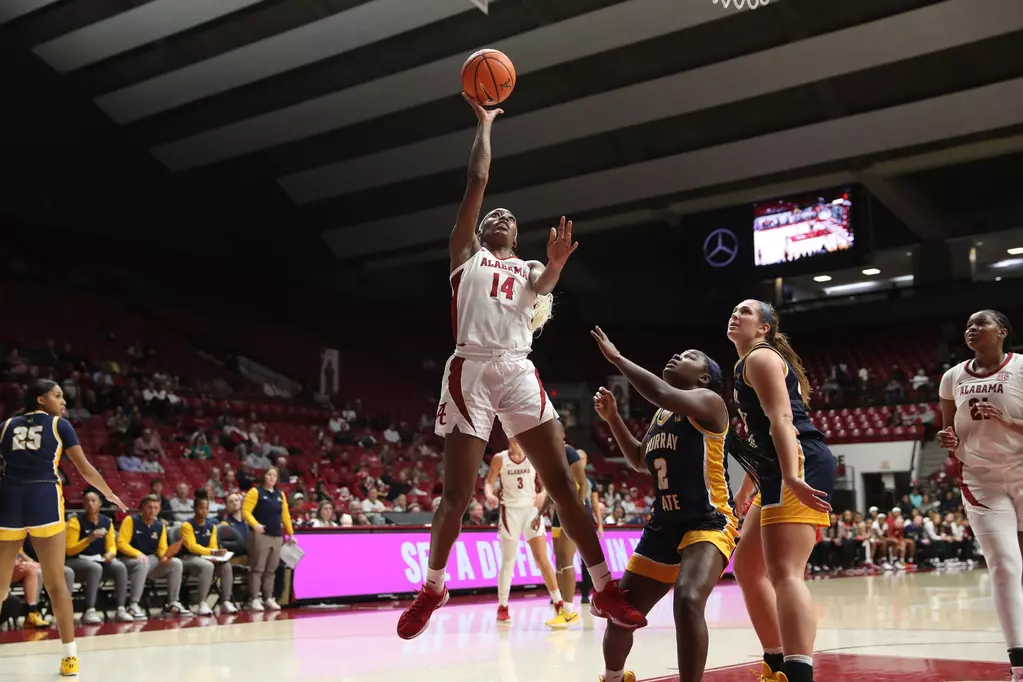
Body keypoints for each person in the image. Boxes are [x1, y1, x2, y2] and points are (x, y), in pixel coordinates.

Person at [396, 93, 644, 639]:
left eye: (511, 217)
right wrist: (485, 125)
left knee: (562, 485)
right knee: (455, 497)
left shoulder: (531, 268)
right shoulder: (466, 255)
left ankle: (604, 588)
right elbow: (477, 182)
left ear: (518, 235)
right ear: (483, 230)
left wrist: (555, 265)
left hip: (515, 368)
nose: (501, 216)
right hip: (469, 371)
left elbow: (545, 285)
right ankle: (432, 589)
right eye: (494, 215)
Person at [591, 328, 738, 682]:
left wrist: (617, 359)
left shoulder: (709, 402)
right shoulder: (661, 415)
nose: (677, 356)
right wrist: (613, 420)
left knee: (687, 599)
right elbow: (640, 460)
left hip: (708, 520)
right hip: (663, 525)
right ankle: (613, 678)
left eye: (689, 356)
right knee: (622, 610)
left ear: (704, 377)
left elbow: (658, 389)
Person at [726, 300, 836, 682]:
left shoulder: (761, 358)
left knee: (785, 571)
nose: (735, 315)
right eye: (733, 311)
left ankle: (798, 670)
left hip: (799, 461)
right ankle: (776, 663)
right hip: (777, 468)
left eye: (745, 312)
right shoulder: (746, 363)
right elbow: (761, 437)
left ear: (764, 328)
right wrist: (750, 484)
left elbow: (782, 420)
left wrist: (791, 476)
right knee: (747, 567)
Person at [0, 379, 127, 677]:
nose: (64, 402)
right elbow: (84, 469)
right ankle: (69, 657)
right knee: (56, 582)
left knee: (1, 585)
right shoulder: (60, 425)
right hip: (43, 495)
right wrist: (109, 493)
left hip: (8, 499)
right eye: (58, 396)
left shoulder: (5, 425)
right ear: (40, 400)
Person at [937, 310, 1023, 682]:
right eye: (968, 324)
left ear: (1002, 332)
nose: (971, 329)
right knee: (1003, 565)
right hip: (980, 480)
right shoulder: (952, 376)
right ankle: (1019, 662)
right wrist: (947, 439)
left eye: (980, 324)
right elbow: (947, 428)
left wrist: (1006, 421)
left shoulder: (1020, 367)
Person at [483, 438, 562, 623]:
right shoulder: (500, 458)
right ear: (508, 437)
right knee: (508, 561)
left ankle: (558, 601)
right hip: (509, 511)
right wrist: (489, 494)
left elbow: (544, 484)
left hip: (531, 511)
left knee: (542, 559)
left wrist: (543, 494)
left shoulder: (533, 456)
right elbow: (489, 482)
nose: (515, 437)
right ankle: (502, 606)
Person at [65, 491, 139, 623]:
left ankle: (121, 609)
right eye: (87, 501)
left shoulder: (106, 521)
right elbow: (70, 550)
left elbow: (111, 545)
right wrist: (89, 539)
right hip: (76, 561)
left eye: (93, 501)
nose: (90, 504)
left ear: (100, 504)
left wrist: (110, 554)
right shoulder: (75, 522)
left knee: (119, 567)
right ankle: (89, 611)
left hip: (98, 560)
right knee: (94, 568)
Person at [539, 442, 587, 628]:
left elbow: (582, 484)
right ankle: (564, 611)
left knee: (566, 560)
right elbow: (553, 490)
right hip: (559, 515)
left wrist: (578, 510)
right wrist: (539, 513)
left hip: (573, 512)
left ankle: (569, 611)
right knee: (559, 560)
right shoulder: (549, 456)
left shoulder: (568, 452)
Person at [117, 495, 190, 616]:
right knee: (143, 562)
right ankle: (133, 605)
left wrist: (166, 555)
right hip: (129, 561)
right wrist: (137, 553)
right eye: (149, 507)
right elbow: (121, 543)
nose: (152, 511)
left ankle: (172, 603)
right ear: (142, 508)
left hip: (151, 561)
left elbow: (161, 549)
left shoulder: (159, 526)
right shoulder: (130, 520)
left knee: (176, 563)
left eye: (156, 508)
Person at [242, 466, 296, 612]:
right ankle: (254, 598)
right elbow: (245, 511)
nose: (272, 477)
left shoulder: (280, 494)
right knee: (258, 568)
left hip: (277, 535)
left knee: (271, 570)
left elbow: (285, 515)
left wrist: (290, 534)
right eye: (269, 475)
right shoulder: (255, 492)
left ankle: (268, 597)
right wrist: (255, 524)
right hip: (260, 535)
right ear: (263, 476)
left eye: (274, 475)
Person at [180, 497, 238, 615]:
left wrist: (218, 553)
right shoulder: (186, 525)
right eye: (201, 508)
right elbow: (192, 547)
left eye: (206, 508)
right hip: (188, 558)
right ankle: (202, 603)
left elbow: (213, 545)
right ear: (195, 508)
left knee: (226, 566)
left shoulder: (212, 526)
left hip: (205, 557)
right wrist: (212, 553)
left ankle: (225, 601)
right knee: (207, 566)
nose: (204, 511)